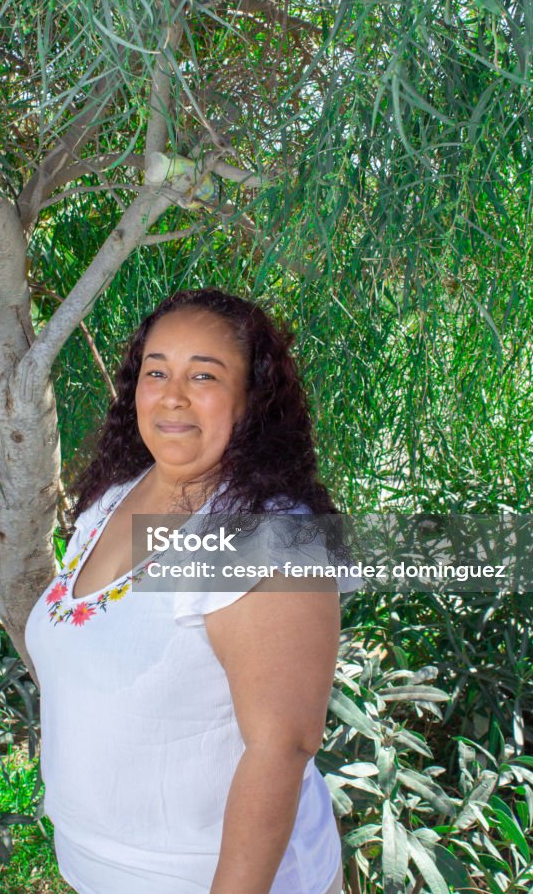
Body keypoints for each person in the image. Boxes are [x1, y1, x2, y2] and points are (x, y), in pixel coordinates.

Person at [25, 288, 360, 894]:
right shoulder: (113, 499)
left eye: (203, 375)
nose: (172, 395)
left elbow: (282, 748)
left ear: (252, 398)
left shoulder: (265, 535)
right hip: (96, 871)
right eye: (156, 372)